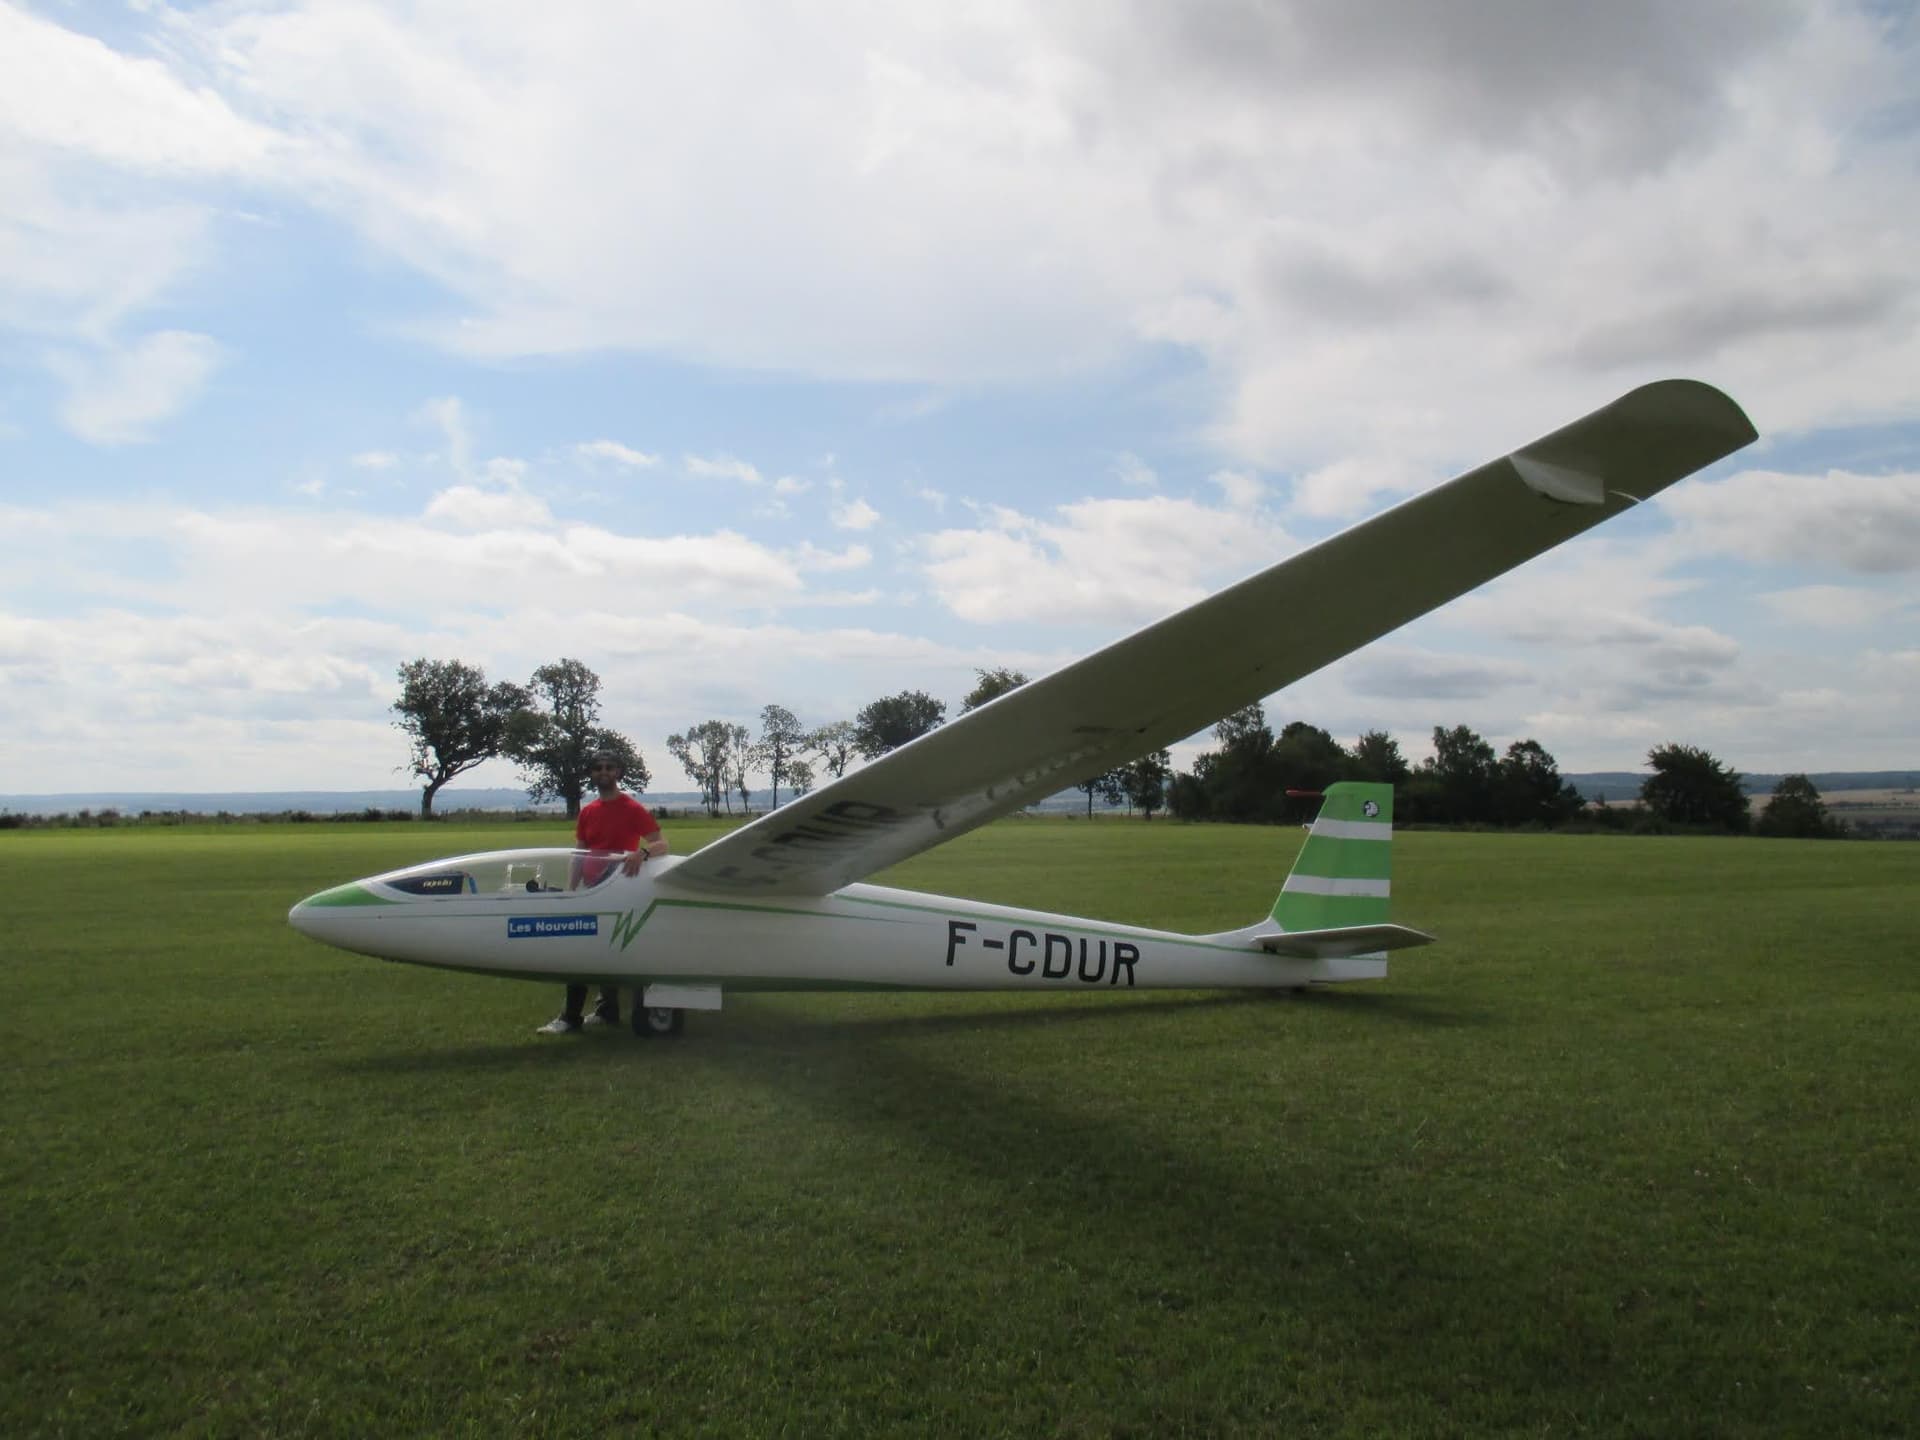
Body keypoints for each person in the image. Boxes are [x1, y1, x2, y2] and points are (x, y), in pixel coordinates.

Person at [537, 748, 668, 1034]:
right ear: (593, 775)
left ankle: (575, 1017)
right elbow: (580, 852)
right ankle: (602, 1011)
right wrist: (572, 890)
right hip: (591, 888)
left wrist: (640, 854)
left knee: (593, 951)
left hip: (619, 889)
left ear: (618, 773)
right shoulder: (588, 812)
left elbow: (661, 845)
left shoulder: (632, 808)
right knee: (588, 950)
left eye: (610, 767)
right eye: (598, 768)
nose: (604, 772)